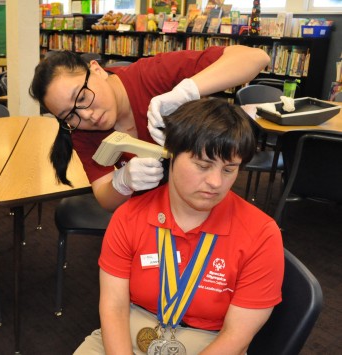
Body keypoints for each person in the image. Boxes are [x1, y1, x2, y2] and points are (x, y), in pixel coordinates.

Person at [74, 98, 284, 355]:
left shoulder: (261, 234)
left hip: (209, 340)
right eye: (203, 165)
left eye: (229, 170)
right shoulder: (129, 216)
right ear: (171, 154)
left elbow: (237, 335)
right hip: (129, 325)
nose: (216, 182)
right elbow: (114, 306)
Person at [29, 46, 270, 211]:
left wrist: (186, 91)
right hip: (151, 211)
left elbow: (256, 57)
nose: (87, 115)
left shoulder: (151, 75)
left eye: (81, 97)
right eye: (69, 114)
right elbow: (104, 195)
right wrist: (122, 182)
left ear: (97, 70)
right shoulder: (81, 131)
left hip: (203, 196)